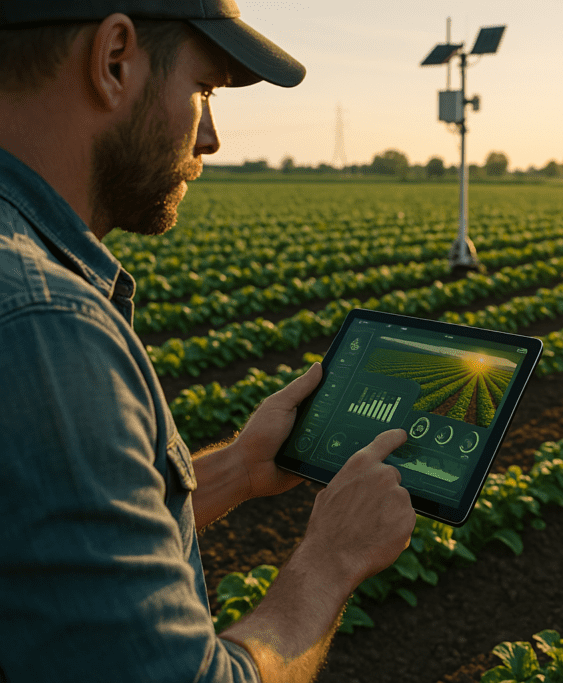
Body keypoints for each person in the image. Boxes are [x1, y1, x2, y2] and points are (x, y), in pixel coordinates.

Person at [0, 2, 417, 681]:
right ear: (114, 62)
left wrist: (239, 471)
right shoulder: (46, 326)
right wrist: (329, 561)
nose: (212, 138)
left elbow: (44, 553)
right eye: (204, 89)